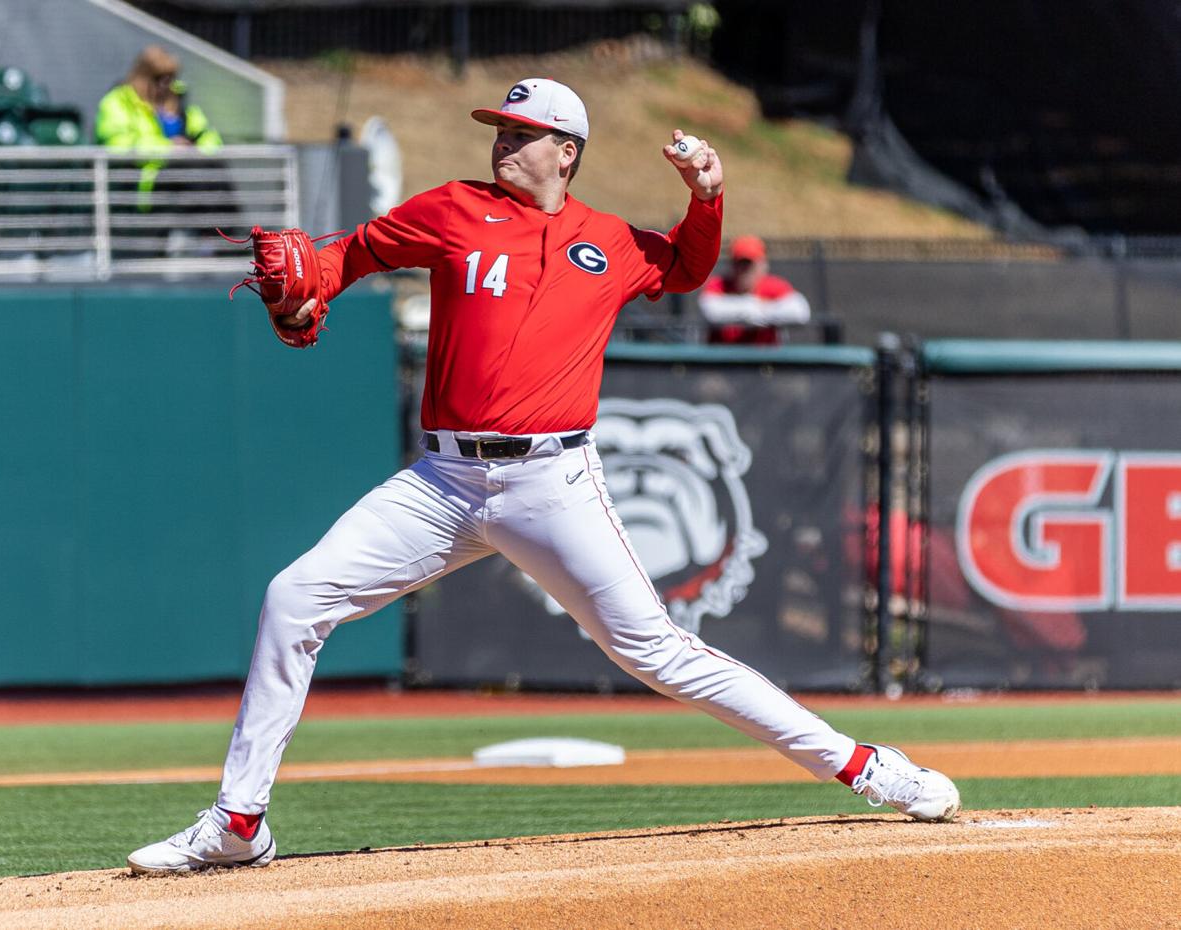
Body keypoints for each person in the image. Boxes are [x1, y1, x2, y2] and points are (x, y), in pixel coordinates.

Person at [127, 78, 959, 873]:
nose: (503, 143)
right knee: (293, 599)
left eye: (522, 135)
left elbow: (688, 268)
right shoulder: (453, 208)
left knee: (660, 654)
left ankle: (863, 767)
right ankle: (238, 824)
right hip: (442, 484)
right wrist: (316, 292)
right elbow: (353, 253)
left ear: (567, 151)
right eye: (499, 130)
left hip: (552, 483)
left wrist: (707, 198)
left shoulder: (610, 239)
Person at [94, 45, 224, 219]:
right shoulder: (118, 102)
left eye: (170, 78)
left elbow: (208, 136)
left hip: (189, 174)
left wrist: (197, 151)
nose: (165, 84)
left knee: (212, 168)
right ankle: (216, 234)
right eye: (159, 78)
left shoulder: (179, 103)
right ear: (144, 76)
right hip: (147, 180)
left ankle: (223, 236)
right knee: (190, 169)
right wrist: (168, 148)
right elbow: (118, 145)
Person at [698, 235, 811, 344]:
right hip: (724, 359)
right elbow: (710, 311)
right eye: (740, 263)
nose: (744, 270)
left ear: (763, 265)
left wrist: (756, 312)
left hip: (765, 358)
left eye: (749, 264)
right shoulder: (719, 284)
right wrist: (752, 308)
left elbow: (800, 312)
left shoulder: (773, 285)